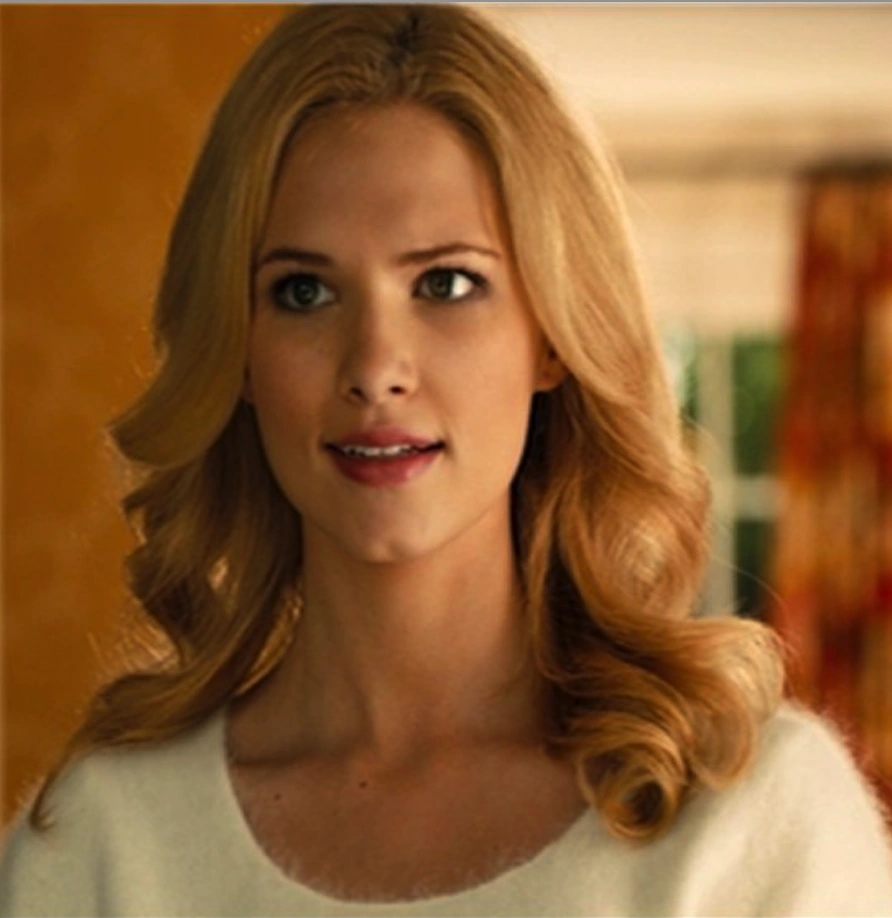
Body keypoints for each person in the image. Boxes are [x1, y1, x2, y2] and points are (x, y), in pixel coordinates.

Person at [2, 4, 891, 915]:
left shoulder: (752, 817)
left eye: (446, 283)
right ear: (238, 352)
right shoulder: (105, 838)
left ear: (552, 336)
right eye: (303, 291)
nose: (375, 367)